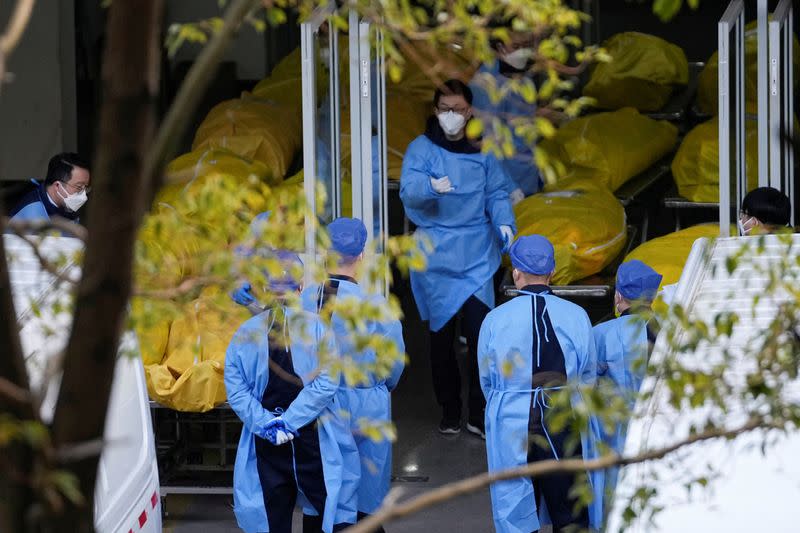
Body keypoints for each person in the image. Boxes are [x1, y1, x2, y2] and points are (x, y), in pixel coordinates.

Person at [400, 79, 516, 436]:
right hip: (436, 255)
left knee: (482, 338)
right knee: (440, 341)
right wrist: (428, 187)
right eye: (445, 109)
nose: (452, 116)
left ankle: (478, 414)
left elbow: (497, 192)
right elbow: (408, 189)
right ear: (436, 111)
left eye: (459, 110)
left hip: (478, 252)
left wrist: (505, 222)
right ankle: (449, 409)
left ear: (470, 112)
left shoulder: (484, 150)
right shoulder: (422, 149)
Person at [225, 250, 357, 533]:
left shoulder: (244, 334)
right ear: (300, 288)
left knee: (272, 516)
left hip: (266, 444)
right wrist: (292, 421)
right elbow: (326, 383)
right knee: (330, 512)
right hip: (313, 438)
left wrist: (268, 424)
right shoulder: (319, 330)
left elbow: (236, 391)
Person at [478, 235, 600, 533]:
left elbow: (487, 380)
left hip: (511, 418)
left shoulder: (494, 319)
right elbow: (588, 376)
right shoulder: (577, 316)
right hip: (563, 416)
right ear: (553, 271)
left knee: (514, 506)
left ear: (516, 273)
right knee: (570, 507)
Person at [301, 217, 405, 531]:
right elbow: (393, 369)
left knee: (319, 497)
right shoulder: (378, 309)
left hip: (315, 407)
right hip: (365, 409)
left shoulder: (305, 301)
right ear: (361, 257)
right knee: (365, 500)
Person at [593, 260, 662, 502]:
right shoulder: (670, 328)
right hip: (660, 428)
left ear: (619, 295)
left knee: (617, 497)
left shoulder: (603, 333)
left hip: (616, 431)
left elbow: (585, 380)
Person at [470, 32, 541, 201]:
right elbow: (486, 144)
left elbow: (526, 134)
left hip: (526, 182)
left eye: (527, 46)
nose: (523, 52)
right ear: (500, 47)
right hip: (504, 189)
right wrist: (510, 188)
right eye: (516, 47)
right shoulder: (486, 84)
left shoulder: (522, 78)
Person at [9, 153, 91, 223]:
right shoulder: (31, 214)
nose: (84, 195)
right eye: (79, 187)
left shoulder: (67, 206)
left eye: (86, 187)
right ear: (58, 186)